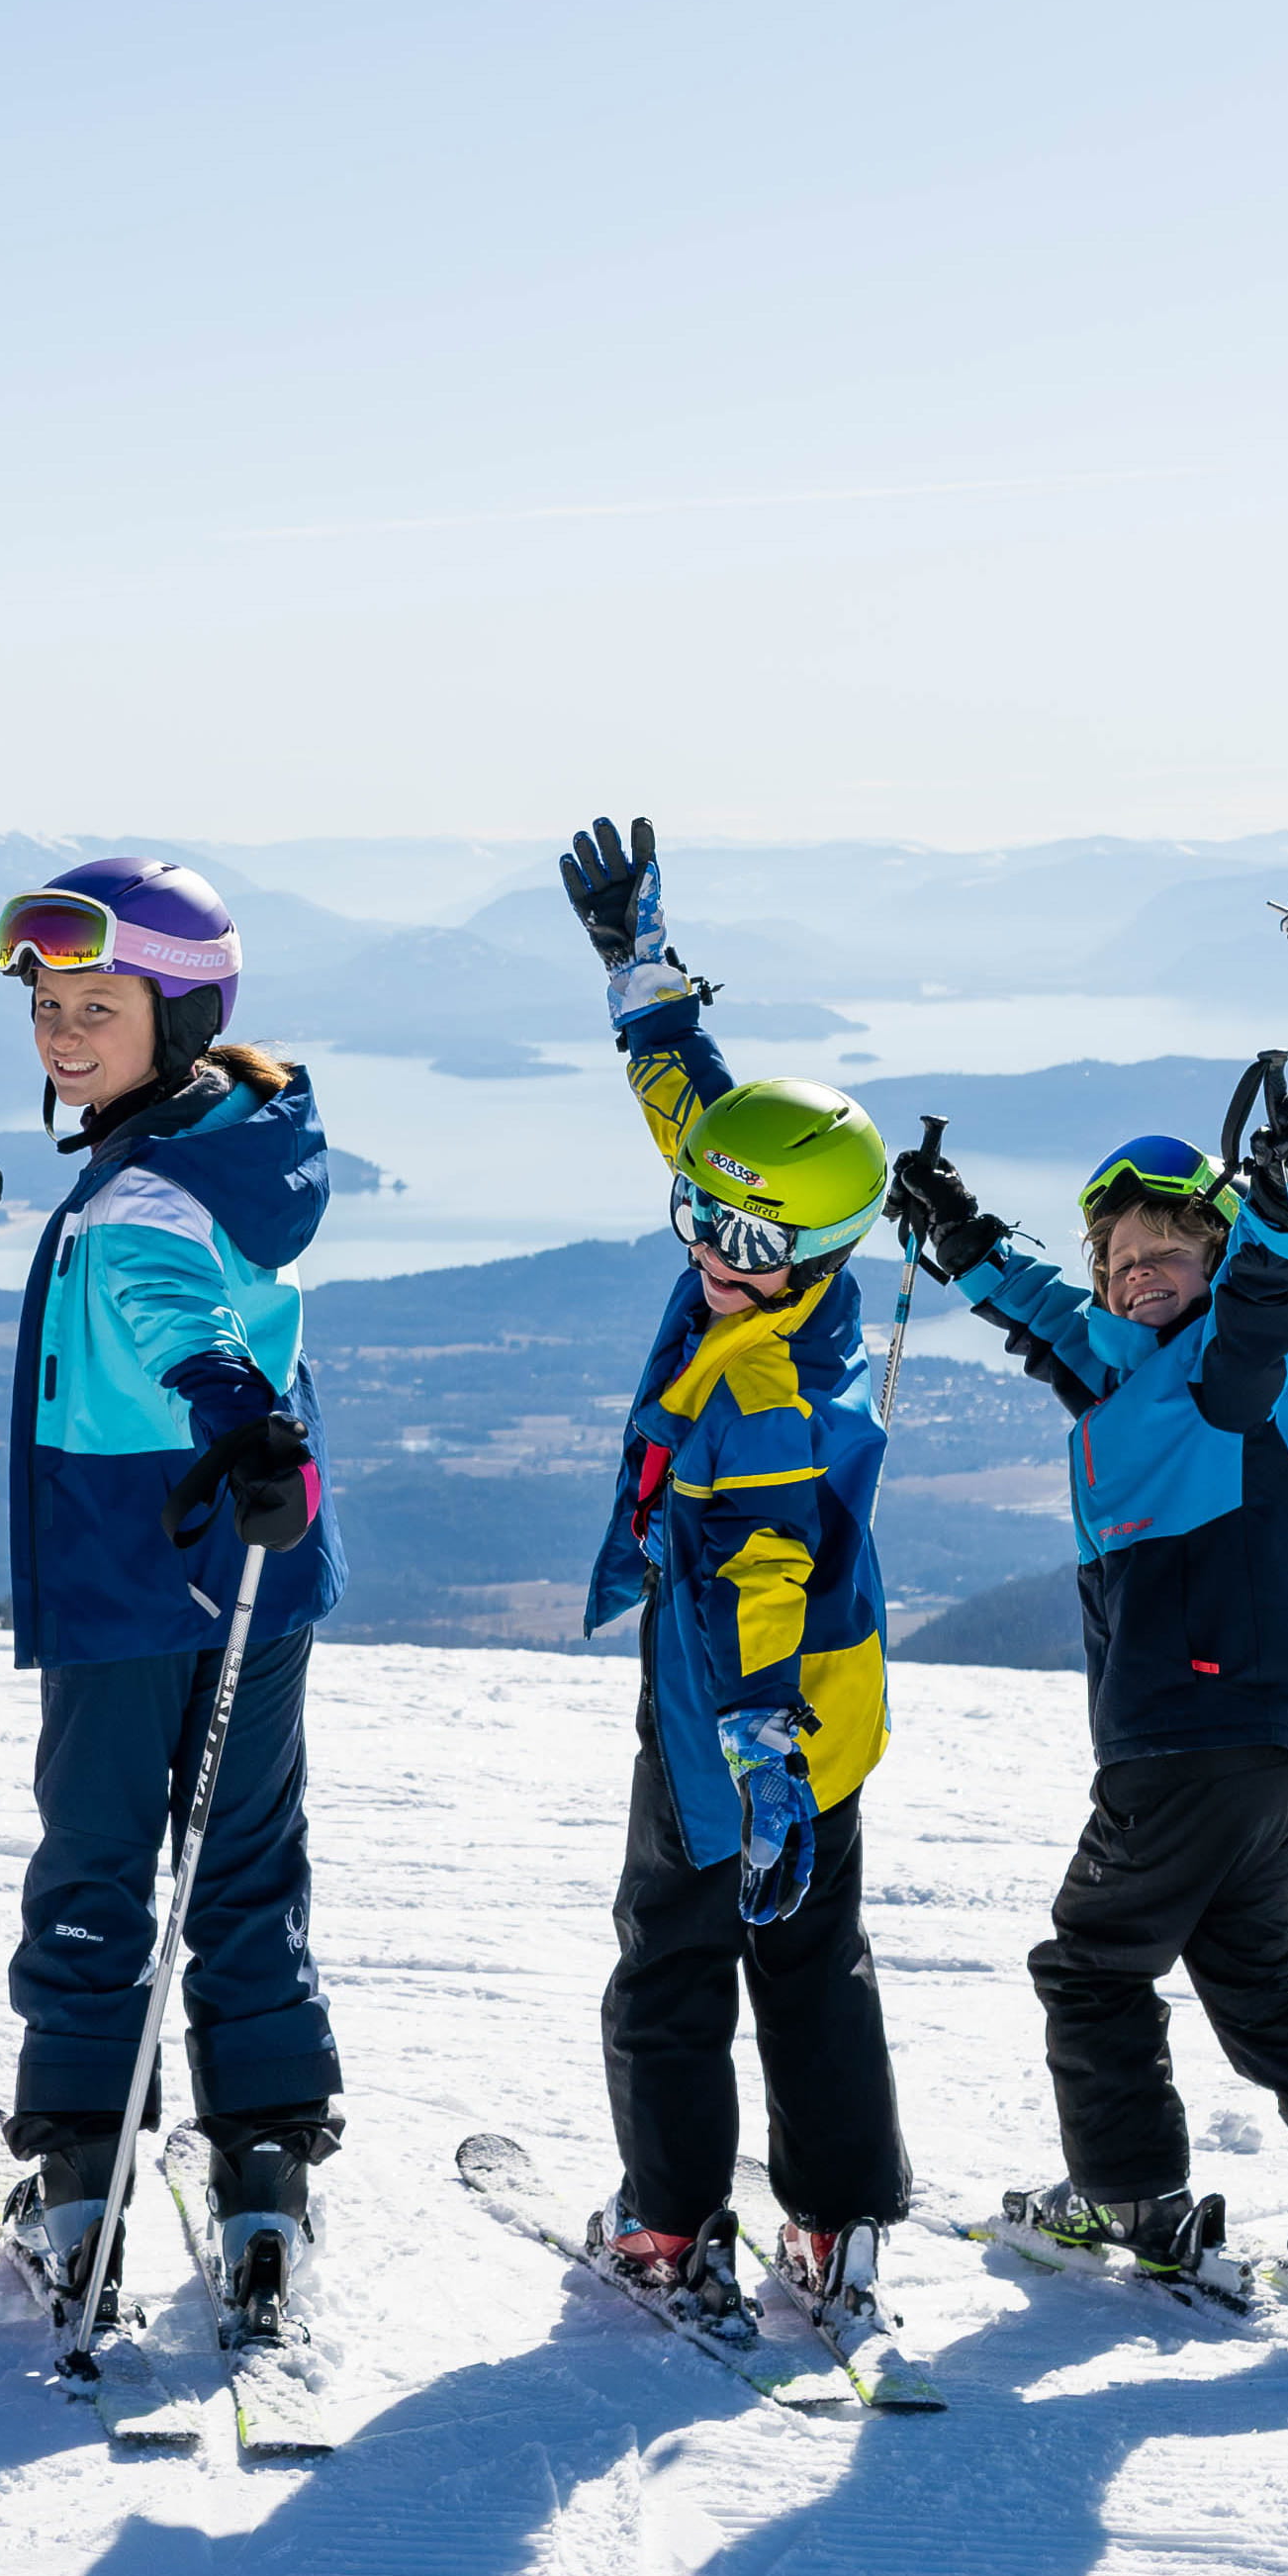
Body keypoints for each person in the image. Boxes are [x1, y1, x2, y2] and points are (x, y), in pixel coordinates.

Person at [887, 1060, 1288, 2320]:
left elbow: (1267, 1305)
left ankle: (1125, 2198)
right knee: (1261, 1993)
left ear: (1213, 1263)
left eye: (1172, 1248)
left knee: (1092, 1963)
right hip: (1279, 1752)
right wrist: (957, 1230)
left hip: (1192, 1737)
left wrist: (1287, 1211)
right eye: (1122, 1256)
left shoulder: (1233, 1381)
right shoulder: (1136, 1378)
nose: (1139, 1270)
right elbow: (1057, 1320)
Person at [545, 822, 913, 2357]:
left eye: (746, 1237)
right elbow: (700, 1123)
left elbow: (760, 1576)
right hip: (812, 1715)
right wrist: (641, 974)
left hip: (734, 1717)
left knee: (679, 1961)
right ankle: (833, 2219)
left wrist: (754, 1753)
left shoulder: (766, 1387)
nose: (709, 1247)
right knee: (813, 1961)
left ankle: (670, 2220)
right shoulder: (770, 1267)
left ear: (816, 1252)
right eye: (700, 1216)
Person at [0, 856, 346, 2337]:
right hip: (255, 1550)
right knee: (247, 1856)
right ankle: (263, 2157)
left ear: (183, 1013)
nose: (64, 1036)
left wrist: (222, 1408)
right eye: (50, 1010)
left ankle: (81, 2165)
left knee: (99, 1863)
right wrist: (250, 1432)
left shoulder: (140, 1186)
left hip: (138, 1558)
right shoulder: (242, 1130)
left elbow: (164, 1305)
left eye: (98, 1007)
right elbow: (200, 1305)